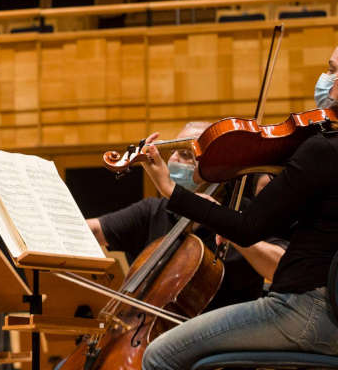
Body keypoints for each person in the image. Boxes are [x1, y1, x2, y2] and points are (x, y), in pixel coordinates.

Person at [139, 33, 338, 370]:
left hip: (306, 315)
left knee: (160, 354)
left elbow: (247, 228)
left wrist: (170, 190)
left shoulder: (327, 149)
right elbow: (332, 224)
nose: (325, 79)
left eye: (332, 69)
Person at [88, 123, 287, 312]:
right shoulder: (153, 210)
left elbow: (281, 268)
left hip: (224, 332)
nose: (173, 160)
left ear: (217, 168)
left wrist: (226, 224)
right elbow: (94, 230)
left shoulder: (244, 212)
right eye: (173, 152)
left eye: (184, 155)